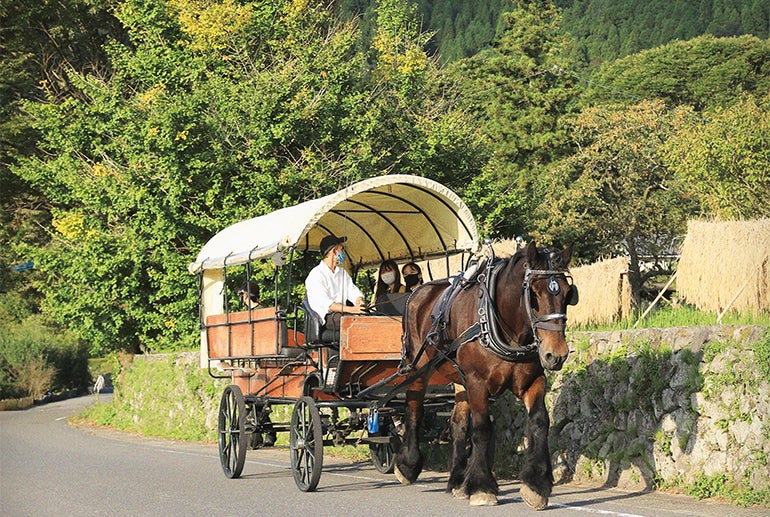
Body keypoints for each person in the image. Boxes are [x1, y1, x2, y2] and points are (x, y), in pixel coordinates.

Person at [305, 234, 366, 339]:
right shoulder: (316, 275)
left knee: (370, 318)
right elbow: (328, 305)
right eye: (341, 249)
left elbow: (353, 291)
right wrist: (352, 310)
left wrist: (359, 300)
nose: (343, 253)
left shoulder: (341, 272)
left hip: (342, 313)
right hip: (327, 317)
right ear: (334, 251)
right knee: (355, 323)